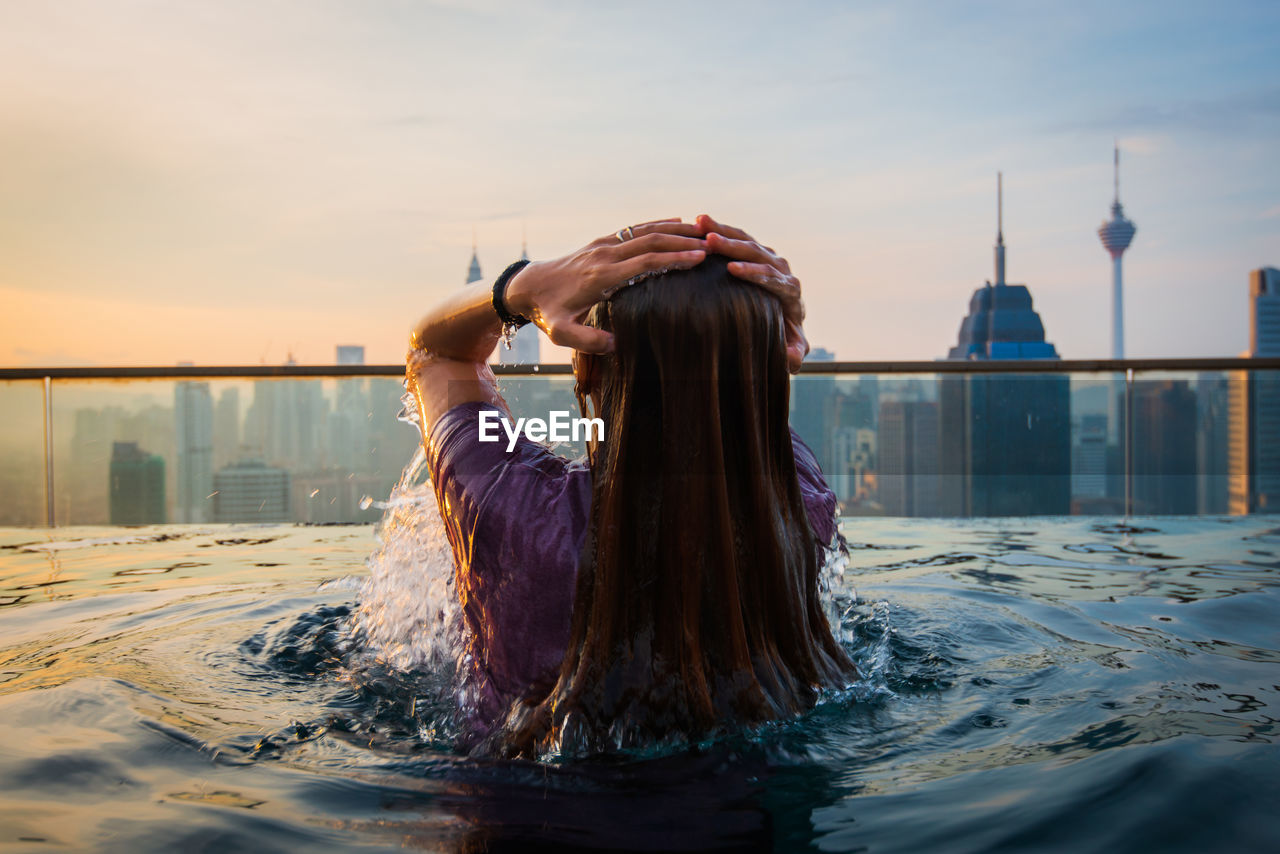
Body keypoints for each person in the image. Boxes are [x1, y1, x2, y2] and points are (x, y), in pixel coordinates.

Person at [407, 215, 856, 758]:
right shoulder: (802, 505)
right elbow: (742, 418)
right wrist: (761, 327)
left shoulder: (515, 510)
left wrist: (520, 289)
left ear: (588, 371)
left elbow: (436, 354)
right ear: (774, 361)